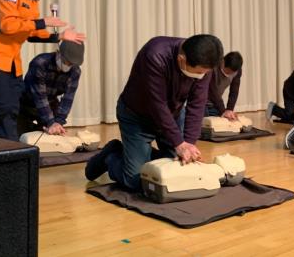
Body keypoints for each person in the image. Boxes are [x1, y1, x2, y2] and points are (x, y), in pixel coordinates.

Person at [85, 35, 223, 191]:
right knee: (136, 181)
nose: (202, 75)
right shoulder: (155, 54)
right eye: (199, 72)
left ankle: (137, 154)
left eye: (205, 72)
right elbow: (157, 104)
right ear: (181, 59)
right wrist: (178, 142)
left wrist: (189, 143)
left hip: (172, 116)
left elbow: (197, 104)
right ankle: (112, 154)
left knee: (179, 170)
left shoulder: (204, 63)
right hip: (137, 117)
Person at [0, 0, 86, 140]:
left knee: (11, 113)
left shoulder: (32, 0)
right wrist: (43, 21)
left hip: (13, 64)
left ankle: (6, 157)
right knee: (2, 105)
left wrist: (60, 36)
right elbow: (8, 26)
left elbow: (31, 33)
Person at [17, 41, 85, 135]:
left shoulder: (75, 71)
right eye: (66, 62)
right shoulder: (40, 63)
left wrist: (58, 122)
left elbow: (68, 99)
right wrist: (50, 122)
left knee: (53, 135)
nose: (68, 66)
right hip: (25, 104)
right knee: (18, 138)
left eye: (71, 64)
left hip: (50, 104)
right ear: (58, 53)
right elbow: (40, 97)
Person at [206, 51, 243, 121]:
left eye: (232, 73)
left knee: (227, 119)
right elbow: (212, 91)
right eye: (228, 71)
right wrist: (223, 111)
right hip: (203, 103)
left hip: (214, 106)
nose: (229, 74)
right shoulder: (213, 66)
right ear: (223, 62)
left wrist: (229, 110)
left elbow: (234, 91)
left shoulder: (237, 71)